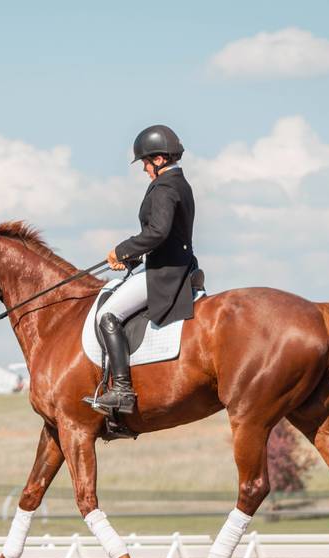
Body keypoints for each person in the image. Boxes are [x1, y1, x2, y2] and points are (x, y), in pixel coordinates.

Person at [88, 124, 198, 420]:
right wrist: (133, 259)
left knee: (107, 315)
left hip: (164, 273)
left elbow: (158, 232)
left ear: (159, 160)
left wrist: (122, 250)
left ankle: (122, 389)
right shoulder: (179, 183)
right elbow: (167, 235)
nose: (145, 169)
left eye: (146, 163)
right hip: (173, 264)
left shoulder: (164, 187)